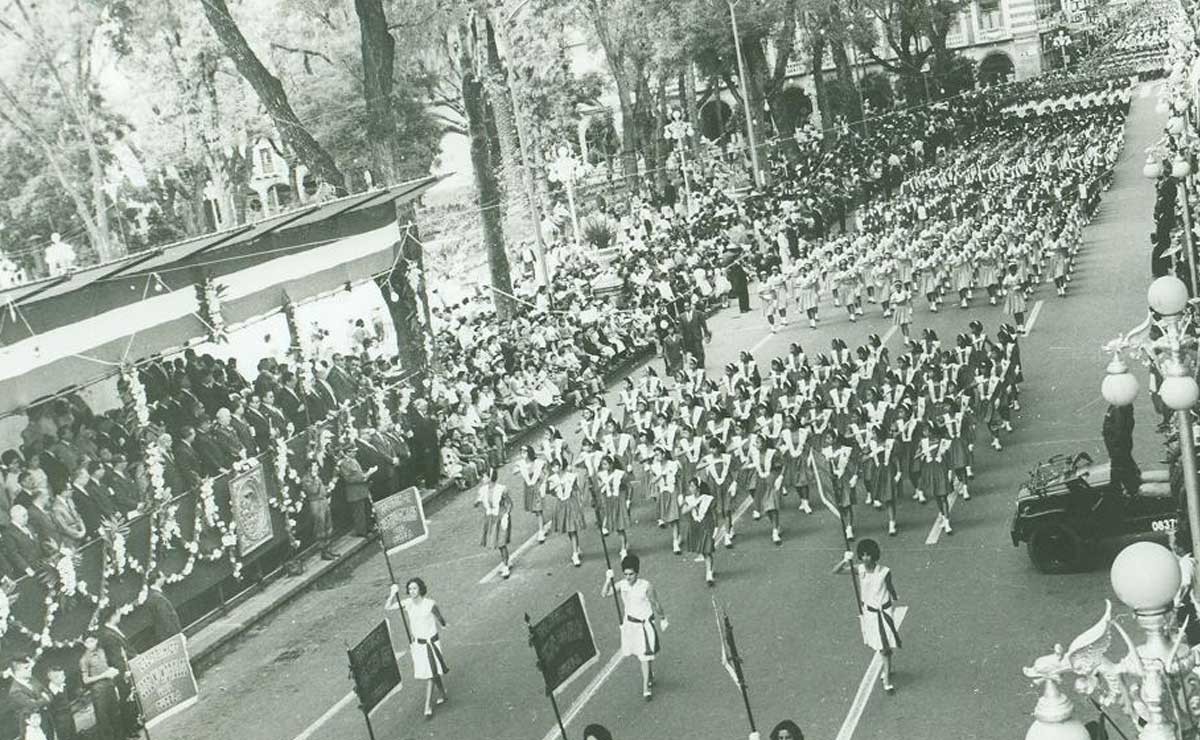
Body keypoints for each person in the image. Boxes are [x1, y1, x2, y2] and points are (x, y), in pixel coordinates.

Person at [836, 538, 901, 693]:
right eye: (863, 555)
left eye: (868, 555)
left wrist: (893, 598)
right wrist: (845, 560)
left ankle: (886, 680)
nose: (865, 558)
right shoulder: (860, 569)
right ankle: (887, 669)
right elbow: (836, 571)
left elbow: (891, 589)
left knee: (884, 648)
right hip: (870, 614)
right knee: (881, 647)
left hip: (884, 613)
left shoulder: (884, 571)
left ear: (874, 555)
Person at [601, 553, 667, 700]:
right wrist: (607, 580)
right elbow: (605, 594)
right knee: (642, 654)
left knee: (644, 656)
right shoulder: (622, 584)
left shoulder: (646, 586)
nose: (628, 577)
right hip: (631, 626)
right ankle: (649, 674)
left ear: (637, 573)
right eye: (625, 574)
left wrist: (663, 618)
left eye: (631, 574)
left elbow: (655, 603)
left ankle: (646, 688)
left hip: (645, 625)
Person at [386, 577, 449, 718]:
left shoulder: (430, 604)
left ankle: (427, 706)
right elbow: (388, 608)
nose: (412, 591)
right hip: (418, 645)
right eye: (409, 589)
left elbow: (440, 617)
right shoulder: (408, 604)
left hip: (431, 644)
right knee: (432, 671)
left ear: (420, 589)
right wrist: (392, 593)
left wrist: (443, 625)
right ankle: (443, 693)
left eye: (414, 588)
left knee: (430, 674)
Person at [80, 635, 122, 740]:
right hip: (98, 691)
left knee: (116, 715)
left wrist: (112, 673)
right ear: (84, 644)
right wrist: (103, 676)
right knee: (104, 720)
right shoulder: (84, 660)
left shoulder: (102, 651)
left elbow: (106, 668)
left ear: (96, 640)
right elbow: (85, 680)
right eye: (87, 642)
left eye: (92, 641)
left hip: (110, 686)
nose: (90, 644)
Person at [476, 466, 513, 578]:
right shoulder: (482, 490)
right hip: (491, 518)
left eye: (484, 476)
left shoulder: (502, 489)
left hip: (501, 517)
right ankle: (507, 561)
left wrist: (506, 515)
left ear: (490, 477)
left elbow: (510, 503)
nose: (482, 478)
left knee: (501, 544)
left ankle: (506, 565)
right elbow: (477, 502)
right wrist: (477, 502)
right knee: (497, 542)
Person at [680, 477, 717, 585]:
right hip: (695, 525)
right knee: (703, 549)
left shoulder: (707, 498)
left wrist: (715, 527)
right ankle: (710, 569)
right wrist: (692, 505)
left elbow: (714, 514)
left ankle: (709, 573)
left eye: (692, 486)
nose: (690, 488)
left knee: (707, 550)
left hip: (706, 524)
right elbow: (683, 511)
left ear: (698, 488)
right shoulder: (689, 499)